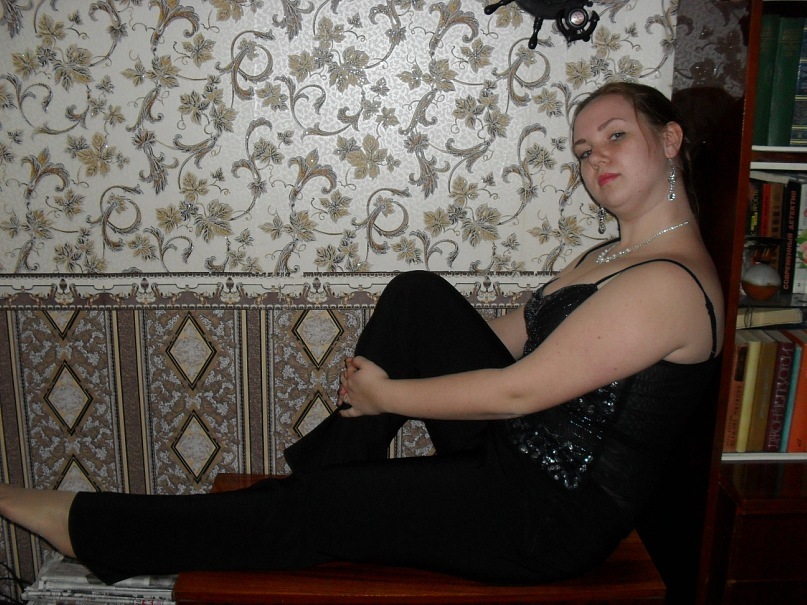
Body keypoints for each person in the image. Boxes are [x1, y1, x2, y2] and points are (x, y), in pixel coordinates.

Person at [0, 82, 723, 586]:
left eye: (615, 136)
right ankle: (326, 477)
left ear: (669, 139)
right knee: (417, 295)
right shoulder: (610, 256)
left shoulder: (666, 284)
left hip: (547, 516)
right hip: (518, 457)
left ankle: (96, 530)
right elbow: (504, 339)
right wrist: (397, 365)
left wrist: (387, 396)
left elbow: (517, 391)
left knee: (319, 511)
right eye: (582, 149)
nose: (594, 159)